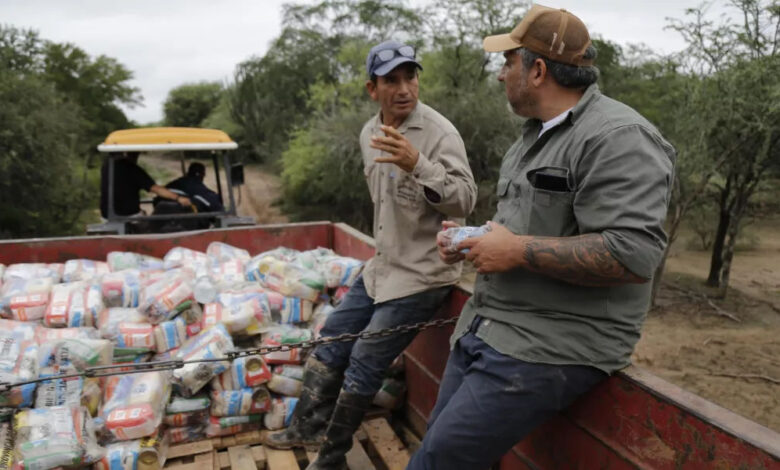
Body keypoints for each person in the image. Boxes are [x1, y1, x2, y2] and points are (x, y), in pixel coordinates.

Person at [407, 5, 676, 470]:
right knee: (438, 448)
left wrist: (516, 251)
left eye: (507, 62)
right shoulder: (531, 138)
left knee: (436, 461)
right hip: (488, 326)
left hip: (553, 341)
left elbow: (633, 253)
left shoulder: (619, 137)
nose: (500, 75)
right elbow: (525, 228)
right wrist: (476, 239)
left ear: (537, 71)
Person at [265, 40, 477, 470]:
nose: (404, 89)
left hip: (422, 274)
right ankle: (308, 425)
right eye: (391, 80)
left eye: (410, 77)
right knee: (331, 338)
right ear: (372, 89)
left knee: (364, 358)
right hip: (382, 267)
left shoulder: (439, 134)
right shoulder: (369, 133)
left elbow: (465, 200)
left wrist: (418, 164)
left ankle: (331, 459)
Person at [100, 152, 191, 219]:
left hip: (107, 215)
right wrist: (178, 198)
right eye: (135, 153)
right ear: (126, 153)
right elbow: (155, 189)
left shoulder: (107, 166)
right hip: (128, 215)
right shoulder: (131, 168)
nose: (136, 156)